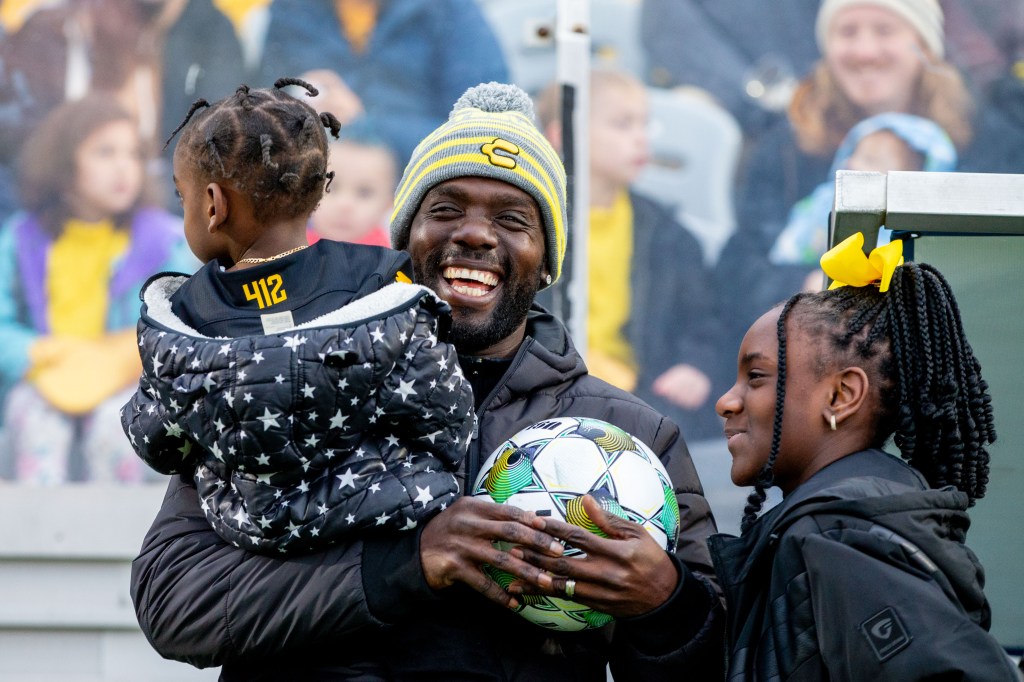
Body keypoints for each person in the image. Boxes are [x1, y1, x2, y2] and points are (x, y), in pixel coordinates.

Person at [130, 82, 724, 680]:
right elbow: (176, 602)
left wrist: (665, 602)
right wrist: (408, 565)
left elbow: (712, 658)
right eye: (444, 210)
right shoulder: (285, 382)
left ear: (546, 262)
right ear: (403, 241)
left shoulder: (630, 436)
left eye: (513, 219)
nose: (475, 234)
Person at [120, 78, 472, 556]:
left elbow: (155, 440)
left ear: (212, 205)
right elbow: (445, 416)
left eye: (183, 199)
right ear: (318, 189)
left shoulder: (186, 314)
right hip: (377, 527)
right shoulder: (380, 281)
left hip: (240, 541)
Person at [708, 232, 1019, 679]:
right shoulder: (842, 523)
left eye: (755, 377)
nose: (726, 401)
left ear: (841, 395)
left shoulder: (843, 538)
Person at [717, 0, 1024, 381]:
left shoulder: (987, 139)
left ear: (923, 45)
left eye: (884, 31)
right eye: (847, 32)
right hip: (815, 369)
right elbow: (739, 271)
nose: (864, 51)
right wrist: (808, 287)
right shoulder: (785, 148)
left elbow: (1006, 268)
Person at [0, 94, 195, 484]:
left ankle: (118, 542)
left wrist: (126, 358)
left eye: (133, 154)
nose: (124, 167)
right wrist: (36, 352)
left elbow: (183, 321)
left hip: (127, 377)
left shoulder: (162, 240)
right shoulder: (23, 239)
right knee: (35, 418)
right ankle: (41, 539)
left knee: (118, 425)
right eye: (105, 152)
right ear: (63, 163)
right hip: (50, 375)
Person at [535, 69, 726, 441]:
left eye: (644, 124)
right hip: (553, 397)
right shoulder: (531, 229)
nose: (642, 138)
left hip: (648, 396)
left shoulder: (668, 234)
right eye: (623, 125)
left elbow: (704, 320)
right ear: (562, 135)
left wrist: (695, 366)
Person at [257, 0, 509, 164]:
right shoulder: (291, 10)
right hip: (310, 202)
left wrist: (364, 124)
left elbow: (490, 137)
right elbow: (256, 117)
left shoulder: (452, 11)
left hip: (416, 202)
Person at [768, 111, 957, 296]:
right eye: (855, 153)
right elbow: (794, 244)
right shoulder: (826, 200)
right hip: (830, 289)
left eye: (871, 160)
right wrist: (808, 275)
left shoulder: (917, 224)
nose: (853, 163)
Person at [307, 121, 398, 248]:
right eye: (331, 187)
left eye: (364, 193)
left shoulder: (390, 261)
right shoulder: (289, 251)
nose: (344, 204)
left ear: (388, 205)